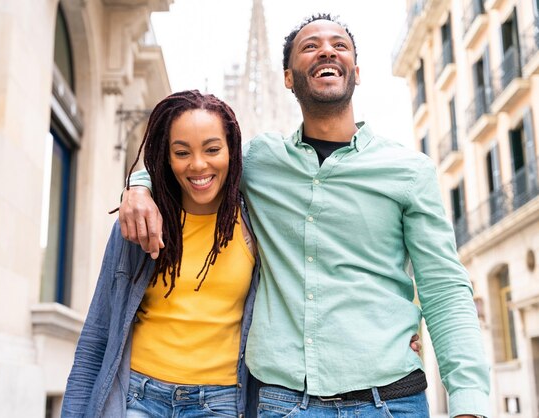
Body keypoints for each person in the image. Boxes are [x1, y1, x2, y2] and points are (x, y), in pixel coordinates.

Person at [119, 14, 490, 418]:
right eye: (310, 46)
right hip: (283, 403)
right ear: (289, 78)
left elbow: (445, 289)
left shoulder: (409, 170)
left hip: (391, 401)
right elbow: (197, 165)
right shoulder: (260, 161)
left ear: (356, 72)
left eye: (339, 45)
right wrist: (140, 186)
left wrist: (468, 401)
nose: (327, 50)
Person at [61, 90, 261, 418]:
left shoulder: (253, 223)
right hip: (137, 397)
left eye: (212, 149)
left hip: (219, 401)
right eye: (182, 152)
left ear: (232, 151)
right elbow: (97, 336)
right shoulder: (139, 223)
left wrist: (137, 184)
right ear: (166, 157)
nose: (198, 165)